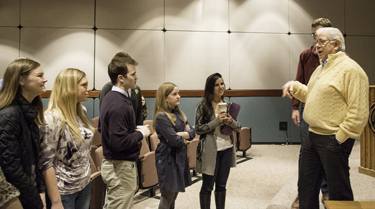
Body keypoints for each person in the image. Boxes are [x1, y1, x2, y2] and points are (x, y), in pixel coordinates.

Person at [282, 27, 369, 209]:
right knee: (306, 188)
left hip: (333, 139)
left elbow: (359, 113)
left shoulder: (352, 70)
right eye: (316, 42)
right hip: (312, 137)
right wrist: (295, 86)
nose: (317, 47)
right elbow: (313, 95)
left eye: (322, 42)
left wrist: (340, 137)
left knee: (338, 192)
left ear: (336, 44)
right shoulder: (321, 68)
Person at [99, 52, 151, 209]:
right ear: (121, 78)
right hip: (119, 167)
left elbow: (105, 129)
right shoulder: (119, 103)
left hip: (116, 165)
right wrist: (141, 133)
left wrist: (133, 129)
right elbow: (119, 142)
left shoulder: (111, 97)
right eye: (133, 74)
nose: (137, 77)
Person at [291, 17, 332, 208]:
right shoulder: (306, 55)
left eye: (320, 34)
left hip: (330, 113)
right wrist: (295, 108)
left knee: (328, 152)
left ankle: (327, 192)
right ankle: (303, 193)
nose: (316, 38)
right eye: (314, 34)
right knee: (306, 154)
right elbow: (299, 81)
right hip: (308, 111)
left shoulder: (342, 57)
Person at [40, 68, 94, 209]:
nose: (89, 89)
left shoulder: (81, 111)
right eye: (84, 85)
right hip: (63, 191)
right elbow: (46, 163)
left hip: (84, 184)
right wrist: (56, 201)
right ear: (69, 88)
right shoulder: (52, 118)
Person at [0, 58, 47, 209]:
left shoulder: (28, 111)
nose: (44, 79)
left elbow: (35, 159)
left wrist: (41, 190)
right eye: (39, 75)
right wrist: (35, 200)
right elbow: (11, 168)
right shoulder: (10, 114)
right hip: (18, 199)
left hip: (28, 193)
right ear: (21, 80)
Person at [195, 73, 241, 209]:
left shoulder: (228, 104)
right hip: (210, 152)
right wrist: (216, 121)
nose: (221, 87)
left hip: (226, 150)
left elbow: (238, 128)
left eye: (222, 84)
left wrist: (231, 121)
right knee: (207, 187)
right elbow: (198, 129)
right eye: (217, 85)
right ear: (211, 88)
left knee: (221, 186)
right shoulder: (203, 106)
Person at [153, 82, 195, 209]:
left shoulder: (178, 113)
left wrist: (182, 134)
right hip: (167, 158)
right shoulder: (161, 116)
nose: (179, 96)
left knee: (174, 195)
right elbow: (175, 140)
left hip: (178, 156)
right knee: (168, 196)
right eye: (174, 94)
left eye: (179, 93)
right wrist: (185, 136)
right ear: (165, 97)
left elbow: (192, 132)